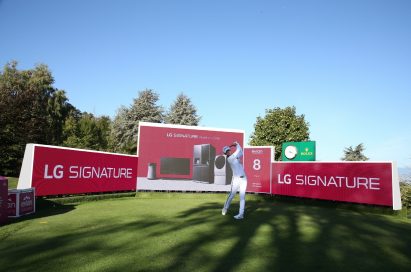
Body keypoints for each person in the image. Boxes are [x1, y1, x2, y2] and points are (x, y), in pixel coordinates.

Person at [221, 141, 247, 220]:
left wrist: (236, 145)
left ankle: (241, 214)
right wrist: (236, 144)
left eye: (229, 150)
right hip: (236, 180)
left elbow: (241, 151)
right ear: (225, 154)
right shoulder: (230, 159)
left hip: (244, 179)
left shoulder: (235, 156)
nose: (228, 152)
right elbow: (238, 150)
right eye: (227, 151)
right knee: (231, 195)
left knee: (242, 197)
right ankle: (225, 208)